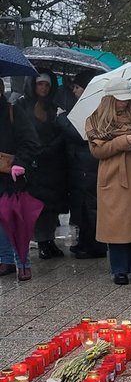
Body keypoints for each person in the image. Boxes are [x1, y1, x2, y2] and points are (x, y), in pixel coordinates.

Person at [85, 80, 131, 286]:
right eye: (119, 99)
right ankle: (119, 270)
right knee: (117, 225)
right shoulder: (95, 121)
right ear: (110, 98)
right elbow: (97, 151)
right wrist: (122, 142)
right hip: (114, 177)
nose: (124, 102)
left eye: (126, 98)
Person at [15, 71, 68, 259]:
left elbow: (61, 132)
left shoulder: (54, 106)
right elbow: (20, 132)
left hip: (52, 162)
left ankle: (49, 239)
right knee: (37, 205)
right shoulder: (22, 105)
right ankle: (42, 240)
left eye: (47, 85)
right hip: (32, 163)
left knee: (51, 205)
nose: (43, 88)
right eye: (40, 84)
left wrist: (51, 147)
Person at [55, 73, 106, 259]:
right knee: (81, 206)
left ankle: (96, 245)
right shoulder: (80, 106)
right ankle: (84, 241)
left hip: (88, 164)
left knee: (90, 205)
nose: (75, 91)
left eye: (77, 87)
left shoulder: (92, 108)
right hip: (79, 164)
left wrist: (62, 118)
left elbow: (81, 134)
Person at [0, 93, 40, 281]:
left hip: (12, 176)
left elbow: (30, 141)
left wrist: (20, 163)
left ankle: (23, 263)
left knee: (16, 219)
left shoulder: (13, 111)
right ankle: (5, 260)